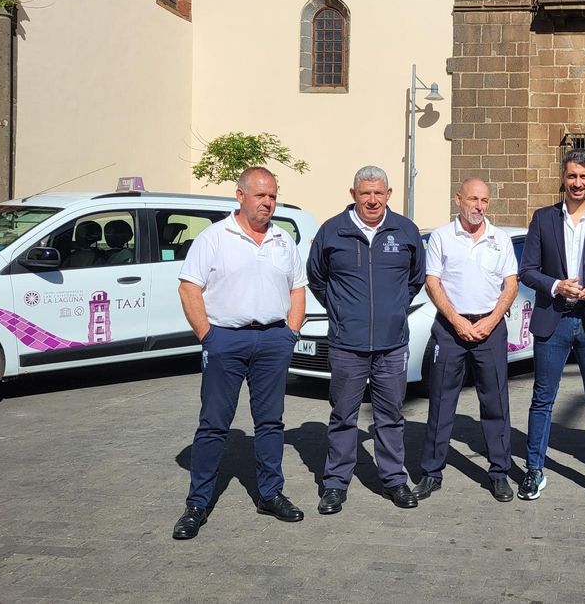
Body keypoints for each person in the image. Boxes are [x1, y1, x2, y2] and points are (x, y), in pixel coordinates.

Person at [172, 166, 307, 540]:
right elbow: (189, 288)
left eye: (273, 196)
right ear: (240, 195)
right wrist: (208, 336)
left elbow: (298, 288)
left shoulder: (283, 240)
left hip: (273, 341)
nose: (268, 203)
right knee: (214, 424)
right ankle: (197, 503)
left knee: (270, 422)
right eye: (261, 195)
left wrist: (291, 333)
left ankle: (270, 494)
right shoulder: (214, 238)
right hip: (226, 341)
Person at [307, 166, 426, 512]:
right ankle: (334, 484)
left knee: (390, 415)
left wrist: (396, 307)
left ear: (389, 194)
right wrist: (340, 309)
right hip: (347, 344)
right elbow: (316, 278)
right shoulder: (332, 232)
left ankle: (394, 480)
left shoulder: (405, 231)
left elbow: (416, 278)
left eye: (378, 193)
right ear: (353, 194)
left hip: (392, 344)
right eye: (365, 193)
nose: (372, 200)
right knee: (344, 415)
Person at [516, 149, 585, 504]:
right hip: (554, 319)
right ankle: (534, 471)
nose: (577, 183)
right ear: (562, 178)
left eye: (584, 176)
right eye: (571, 176)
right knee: (542, 399)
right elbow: (528, 269)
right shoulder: (543, 218)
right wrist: (555, 285)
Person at [415, 178, 519, 502]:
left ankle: (499, 473)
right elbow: (432, 282)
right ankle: (431, 473)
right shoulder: (442, 238)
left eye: (484, 200)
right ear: (458, 199)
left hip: (490, 327)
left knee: (496, 403)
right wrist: (457, 321)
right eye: (473, 199)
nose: (479, 206)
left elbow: (511, 285)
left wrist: (491, 320)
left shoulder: (500, 239)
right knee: (442, 402)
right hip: (450, 328)